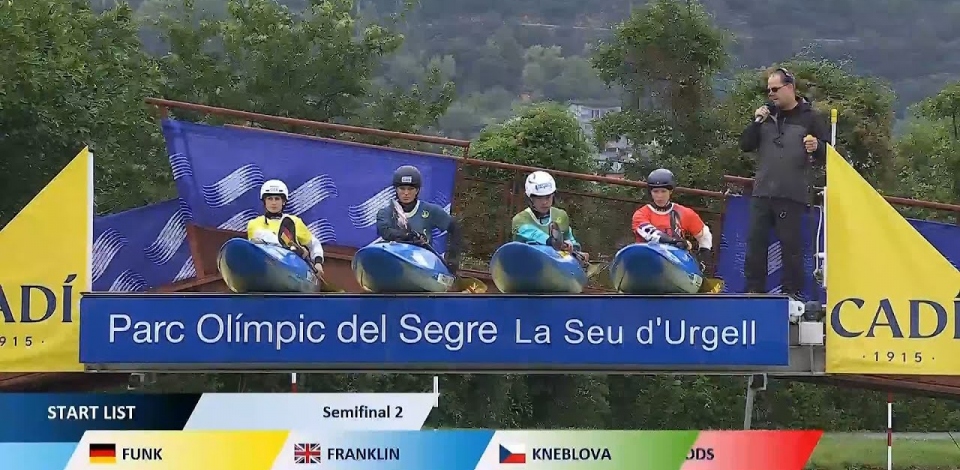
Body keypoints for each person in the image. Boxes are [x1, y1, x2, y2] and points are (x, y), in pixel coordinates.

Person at [739, 67, 830, 298]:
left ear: (790, 88)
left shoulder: (810, 118)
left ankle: (791, 294)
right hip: (762, 192)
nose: (771, 94)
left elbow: (829, 154)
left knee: (791, 248)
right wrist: (756, 122)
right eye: (769, 90)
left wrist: (817, 147)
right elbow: (746, 145)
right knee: (755, 245)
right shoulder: (766, 114)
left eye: (775, 89)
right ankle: (753, 291)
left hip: (792, 193)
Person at [375, 165, 462, 273]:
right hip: (394, 261)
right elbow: (385, 232)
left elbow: (455, 227)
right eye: (402, 188)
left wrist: (453, 259)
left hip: (423, 263)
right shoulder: (385, 212)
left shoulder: (430, 210)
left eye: (411, 189)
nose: (406, 193)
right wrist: (408, 236)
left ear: (417, 190)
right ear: (396, 189)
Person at [631, 168, 713, 263]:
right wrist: (675, 242)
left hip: (676, 261)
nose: (659, 196)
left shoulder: (684, 213)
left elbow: (704, 233)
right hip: (646, 259)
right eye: (655, 191)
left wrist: (704, 253)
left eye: (663, 191)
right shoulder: (641, 214)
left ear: (670, 191)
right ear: (650, 192)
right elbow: (651, 234)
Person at [247, 179, 325, 275]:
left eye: (277, 199)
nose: (273, 203)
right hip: (265, 265)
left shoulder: (294, 221)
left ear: (283, 201)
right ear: (264, 201)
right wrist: (298, 249)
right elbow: (264, 238)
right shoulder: (254, 223)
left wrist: (318, 262)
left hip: (292, 269)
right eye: (270, 199)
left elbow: (314, 243)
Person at [511, 170, 589, 263]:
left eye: (548, 197)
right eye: (539, 197)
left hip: (554, 265)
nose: (544, 202)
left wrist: (574, 249)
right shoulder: (520, 219)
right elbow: (534, 234)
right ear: (530, 198)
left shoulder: (561, 215)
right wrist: (553, 241)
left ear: (553, 195)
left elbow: (569, 238)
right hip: (526, 264)